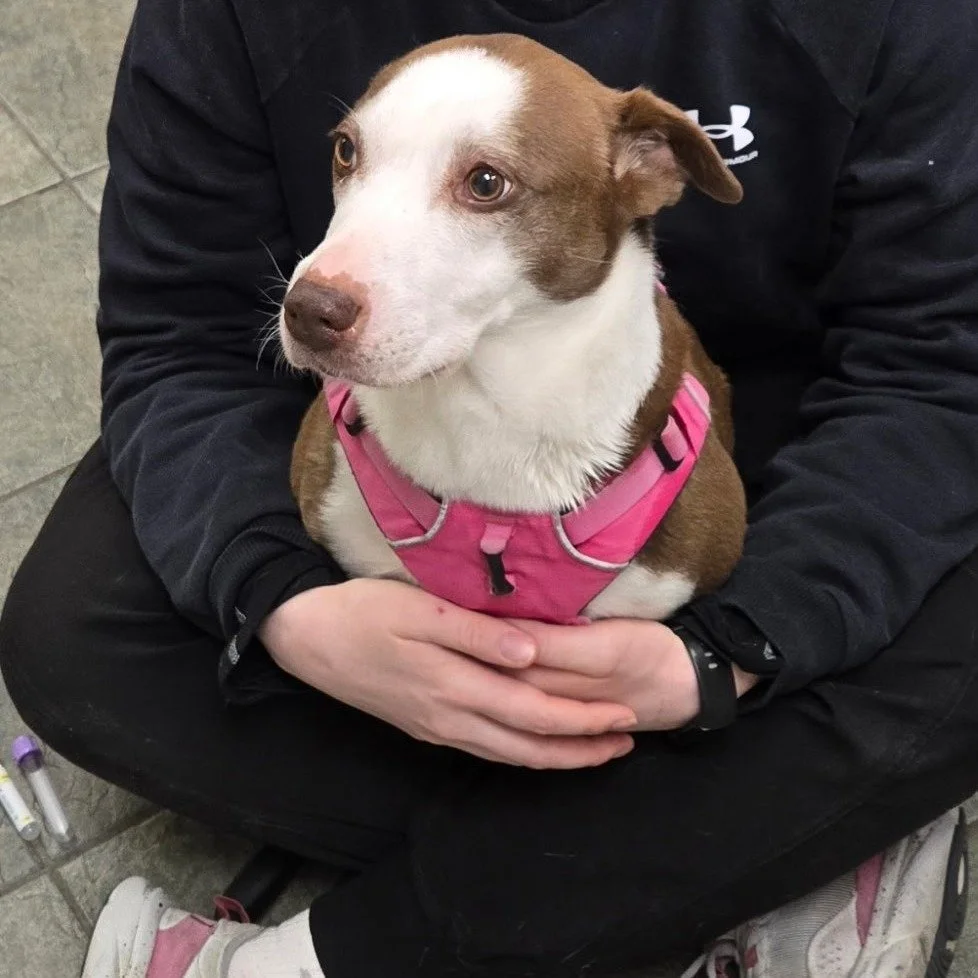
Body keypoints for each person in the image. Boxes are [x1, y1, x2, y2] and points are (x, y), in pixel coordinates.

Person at [2, 0, 978, 975]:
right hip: (375, 453)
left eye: (481, 183)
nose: (320, 281)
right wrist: (284, 610)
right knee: (72, 639)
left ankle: (320, 953)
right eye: (351, 154)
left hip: (768, 446)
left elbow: (935, 372)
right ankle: (740, 860)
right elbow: (172, 337)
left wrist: (730, 657)